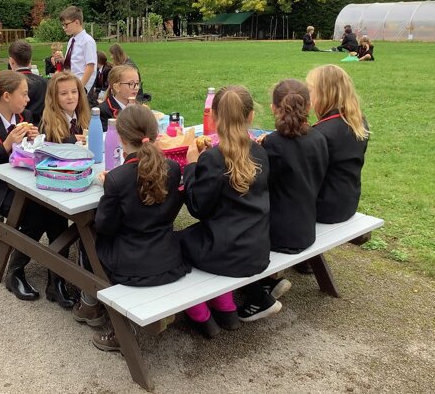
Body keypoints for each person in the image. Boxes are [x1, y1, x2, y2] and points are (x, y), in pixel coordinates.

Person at [85, 105, 190, 352]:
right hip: (168, 259)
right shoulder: (173, 168)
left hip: (131, 266)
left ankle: (89, 305)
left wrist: (108, 195)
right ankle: (88, 304)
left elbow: (105, 226)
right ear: (155, 134)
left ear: (121, 138)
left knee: (86, 238)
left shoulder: (117, 178)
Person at [0, 71, 74, 307]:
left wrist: (36, 139)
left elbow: (30, 154)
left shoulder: (25, 116)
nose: (28, 100)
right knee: (36, 214)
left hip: (23, 181)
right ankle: (15, 272)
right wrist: (8, 143)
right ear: (7, 96)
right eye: (24, 95)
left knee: (56, 211)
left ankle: (57, 278)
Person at [177, 86, 270, 338]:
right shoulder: (260, 152)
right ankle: (225, 306)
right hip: (258, 249)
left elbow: (197, 207)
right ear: (250, 116)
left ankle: (199, 311)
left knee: (171, 243)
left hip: (226, 254)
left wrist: (192, 165)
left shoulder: (213, 159)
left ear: (214, 117)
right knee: (191, 236)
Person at [237, 79, 328, 321]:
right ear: (309, 106)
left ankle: (258, 297)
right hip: (306, 227)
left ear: (273, 107)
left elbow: (257, 187)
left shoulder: (273, 144)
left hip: (279, 234)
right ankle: (269, 283)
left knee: (235, 230)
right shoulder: (319, 138)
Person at [306, 65, 369, 224]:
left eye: (310, 90)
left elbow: (306, 177)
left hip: (324, 209)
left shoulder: (321, 133)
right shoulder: (358, 122)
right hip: (349, 202)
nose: (307, 96)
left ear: (324, 93)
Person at [40, 72, 90, 144]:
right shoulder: (47, 124)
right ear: (54, 97)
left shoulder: (86, 118)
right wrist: (72, 140)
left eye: (74, 92)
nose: (70, 97)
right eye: (64, 93)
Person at [8, 40, 47, 126]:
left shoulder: (9, 84)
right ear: (30, 60)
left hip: (18, 127)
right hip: (42, 126)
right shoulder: (45, 82)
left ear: (11, 61)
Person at [60, 6, 97, 93]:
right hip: (71, 83)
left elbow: (90, 66)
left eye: (66, 24)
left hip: (81, 85)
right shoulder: (71, 41)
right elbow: (74, 63)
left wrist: (80, 87)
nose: (64, 28)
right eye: (63, 25)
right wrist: (62, 60)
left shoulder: (87, 41)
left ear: (76, 22)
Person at [97, 65, 140, 130]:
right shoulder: (102, 111)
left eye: (137, 83)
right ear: (117, 87)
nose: (136, 88)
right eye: (131, 84)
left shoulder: (139, 107)